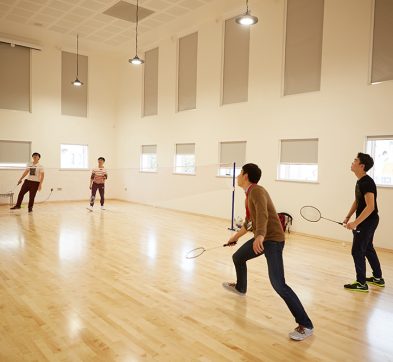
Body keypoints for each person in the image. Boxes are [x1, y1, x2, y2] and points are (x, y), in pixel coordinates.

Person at [222, 163, 314, 341]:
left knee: (278, 284)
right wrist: (236, 236)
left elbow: (263, 214)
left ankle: (306, 324)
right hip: (263, 238)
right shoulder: (248, 195)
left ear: (246, 175)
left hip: (273, 240)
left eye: (240, 173)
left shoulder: (257, 191)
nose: (238, 176)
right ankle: (241, 287)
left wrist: (260, 236)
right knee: (238, 257)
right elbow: (250, 222)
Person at [343, 153, 385, 291]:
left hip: (368, 221)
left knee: (357, 251)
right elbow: (358, 200)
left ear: (362, 166)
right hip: (368, 220)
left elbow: (370, 206)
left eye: (355, 160)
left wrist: (355, 223)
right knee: (367, 248)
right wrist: (348, 216)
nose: (352, 162)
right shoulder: (360, 181)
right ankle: (378, 278)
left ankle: (361, 283)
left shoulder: (367, 182)